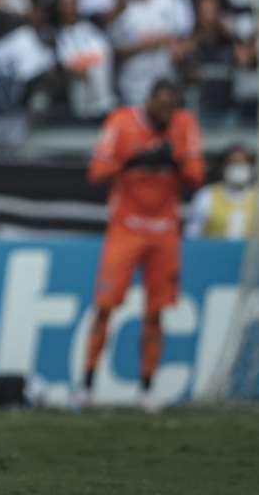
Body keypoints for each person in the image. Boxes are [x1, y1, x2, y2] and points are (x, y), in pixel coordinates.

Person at [78, 79, 204, 411]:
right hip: (126, 228)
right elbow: (97, 172)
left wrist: (174, 159)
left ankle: (147, 387)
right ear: (148, 102)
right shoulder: (121, 122)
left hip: (164, 230)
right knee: (105, 304)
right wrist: (135, 159)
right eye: (160, 107)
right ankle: (87, 384)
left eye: (171, 109)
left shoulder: (184, 125)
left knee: (156, 311)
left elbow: (196, 175)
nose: (165, 114)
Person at [186, 143, 259, 239]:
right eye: (233, 163)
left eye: (242, 163)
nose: (238, 167)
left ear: (250, 167)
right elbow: (192, 236)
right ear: (222, 167)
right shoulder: (206, 196)